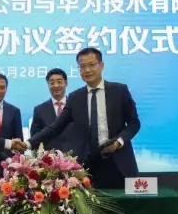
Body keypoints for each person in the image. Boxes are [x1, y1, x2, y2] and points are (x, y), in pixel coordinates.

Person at [27, 48, 141, 189]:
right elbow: (55, 127)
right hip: (88, 167)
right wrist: (28, 143)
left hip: (119, 162)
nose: (87, 70)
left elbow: (134, 123)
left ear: (101, 65)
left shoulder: (119, 90)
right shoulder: (76, 97)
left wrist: (119, 142)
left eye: (91, 65)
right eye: (82, 66)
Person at [30, 68, 76, 154]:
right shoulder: (39, 110)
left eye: (59, 82)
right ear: (48, 85)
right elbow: (35, 138)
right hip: (49, 158)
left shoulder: (76, 106)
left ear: (66, 83)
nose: (56, 85)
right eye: (52, 83)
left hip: (74, 157)